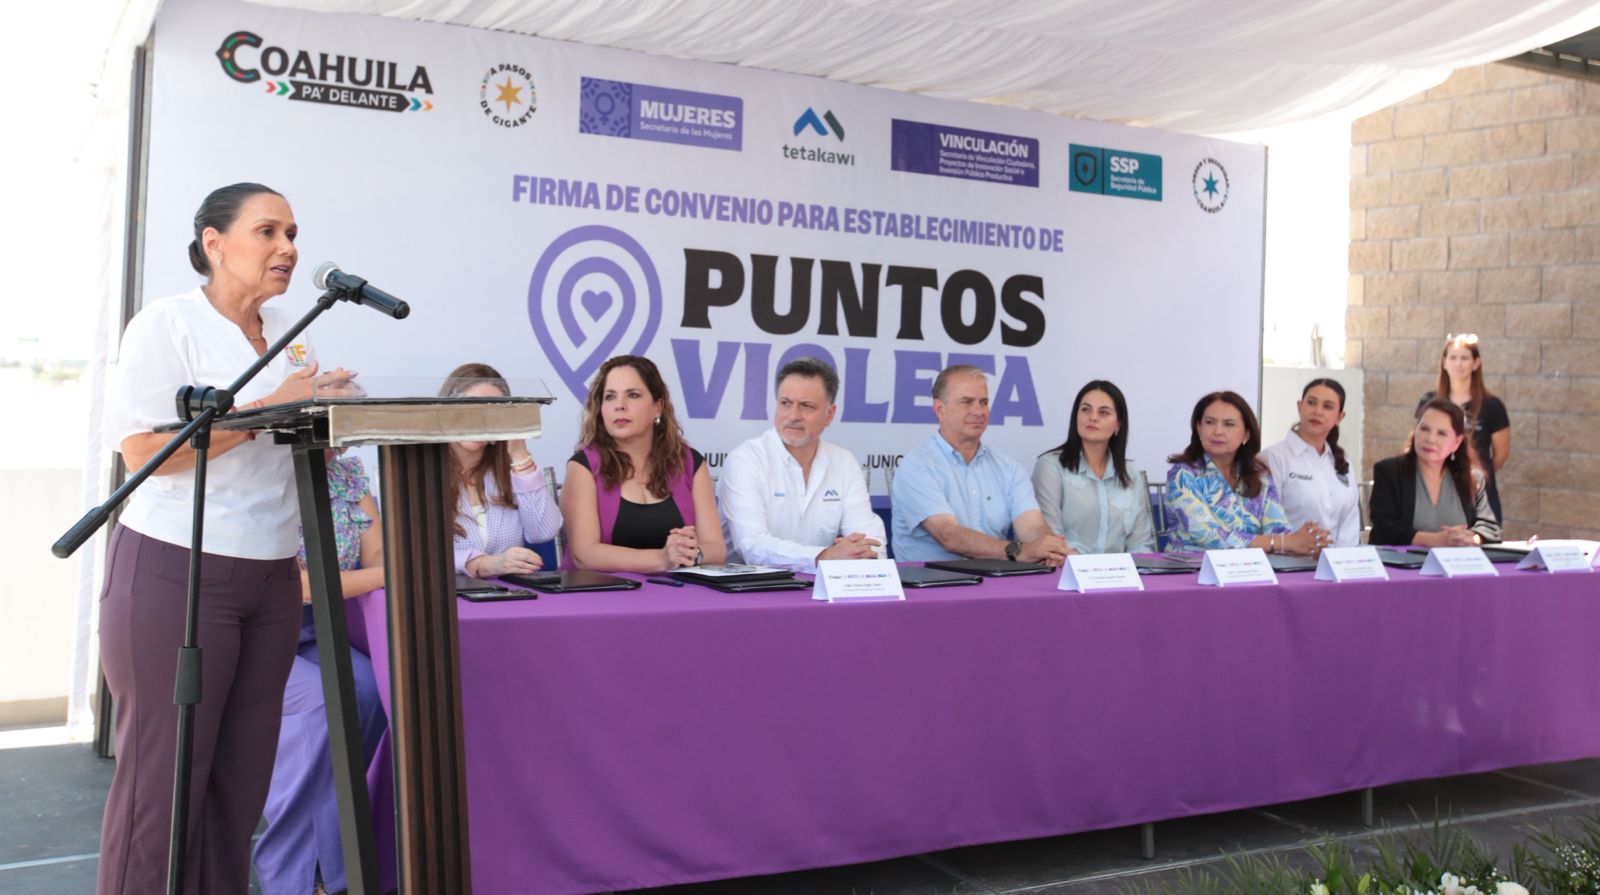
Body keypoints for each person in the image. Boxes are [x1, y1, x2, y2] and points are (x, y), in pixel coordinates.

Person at [99, 182, 362, 895]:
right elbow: (143, 451)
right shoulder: (168, 323)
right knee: (164, 787)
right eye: (267, 231)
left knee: (238, 787)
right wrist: (271, 407)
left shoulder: (292, 332)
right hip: (177, 568)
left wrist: (328, 414)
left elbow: (284, 437)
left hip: (272, 575)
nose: (287, 247)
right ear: (214, 243)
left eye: (292, 233)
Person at [254, 451, 387, 895]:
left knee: (371, 690)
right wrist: (384, 575)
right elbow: (298, 584)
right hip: (254, 633)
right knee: (317, 703)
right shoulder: (260, 474)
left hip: (319, 628)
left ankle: (349, 856)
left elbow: (377, 553)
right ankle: (297, 876)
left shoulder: (349, 473)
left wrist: (382, 570)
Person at [560, 355, 727, 572]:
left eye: (633, 395)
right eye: (610, 397)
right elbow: (585, 555)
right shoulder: (583, 466)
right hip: (602, 590)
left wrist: (691, 554)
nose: (619, 406)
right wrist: (662, 559)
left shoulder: (689, 463)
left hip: (677, 588)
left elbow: (716, 549)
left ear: (657, 407)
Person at [890, 365, 1069, 564]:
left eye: (983, 402)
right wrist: (1019, 552)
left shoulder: (1009, 468)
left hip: (998, 578)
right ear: (940, 409)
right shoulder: (917, 466)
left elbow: (1032, 527)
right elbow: (949, 535)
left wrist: (1049, 549)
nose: (978, 411)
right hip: (933, 581)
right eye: (967, 402)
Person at [719, 357, 885, 572]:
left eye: (806, 406)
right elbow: (752, 546)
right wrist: (823, 557)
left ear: (829, 414)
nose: (793, 416)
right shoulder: (745, 460)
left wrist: (862, 554)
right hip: (751, 587)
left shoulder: (844, 462)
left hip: (821, 585)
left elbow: (869, 536)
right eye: (785, 403)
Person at [1165, 390, 1325, 555]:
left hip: (1250, 566)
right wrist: (1285, 543)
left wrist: (1308, 541)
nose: (1217, 431)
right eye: (1210, 422)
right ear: (1199, 428)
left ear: (1246, 434)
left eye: (1229, 424)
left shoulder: (1259, 473)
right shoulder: (1182, 474)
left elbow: (1276, 528)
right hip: (1192, 566)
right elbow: (1211, 537)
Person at [443, 363, 563, 578]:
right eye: (469, 406)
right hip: (443, 594)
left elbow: (543, 532)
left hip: (508, 593)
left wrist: (519, 455)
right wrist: (483, 564)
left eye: (491, 410)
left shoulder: (510, 472)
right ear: (447, 411)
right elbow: (414, 552)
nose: (479, 419)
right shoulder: (421, 473)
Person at [1030, 379, 1156, 553]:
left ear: (1118, 424)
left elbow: (1140, 544)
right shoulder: (1050, 467)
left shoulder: (1131, 475)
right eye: (1085, 410)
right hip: (1065, 567)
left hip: (1121, 570)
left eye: (1103, 412)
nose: (1093, 417)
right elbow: (1050, 539)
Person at [1370, 398, 1502, 547]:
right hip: (1401, 561)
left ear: (1457, 442)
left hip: (1456, 560)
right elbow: (1385, 529)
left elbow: (1490, 527)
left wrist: (1472, 538)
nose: (1430, 439)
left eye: (1441, 433)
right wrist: (1435, 540)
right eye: (1424, 429)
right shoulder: (1388, 471)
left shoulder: (1472, 478)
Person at [1415, 333, 1510, 522]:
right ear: (1444, 362)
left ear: (1476, 363)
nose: (1458, 363)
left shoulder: (1492, 406)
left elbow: (1500, 455)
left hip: (1478, 495)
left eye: (1465, 358)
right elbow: (1420, 445)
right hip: (1435, 493)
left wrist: (1472, 475)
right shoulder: (1429, 402)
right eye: (1453, 357)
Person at [1261, 378, 1363, 548]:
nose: (1317, 411)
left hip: (1336, 561)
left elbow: (1350, 525)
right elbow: (1265, 521)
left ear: (1340, 417)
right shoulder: (1273, 458)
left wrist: (1343, 560)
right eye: (1311, 403)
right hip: (1286, 560)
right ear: (1300, 406)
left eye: (1327, 406)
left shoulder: (1342, 461)